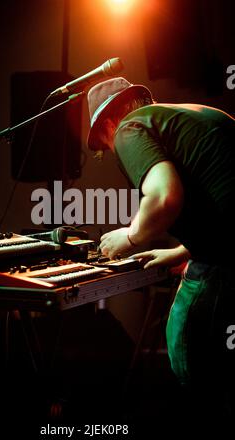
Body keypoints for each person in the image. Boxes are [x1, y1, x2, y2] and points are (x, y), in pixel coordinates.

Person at [86, 76, 235, 421]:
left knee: (187, 344)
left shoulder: (128, 128)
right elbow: (223, 195)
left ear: (108, 123)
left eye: (104, 145)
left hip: (225, 263)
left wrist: (130, 236)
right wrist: (180, 252)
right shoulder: (193, 115)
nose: (113, 151)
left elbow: (165, 196)